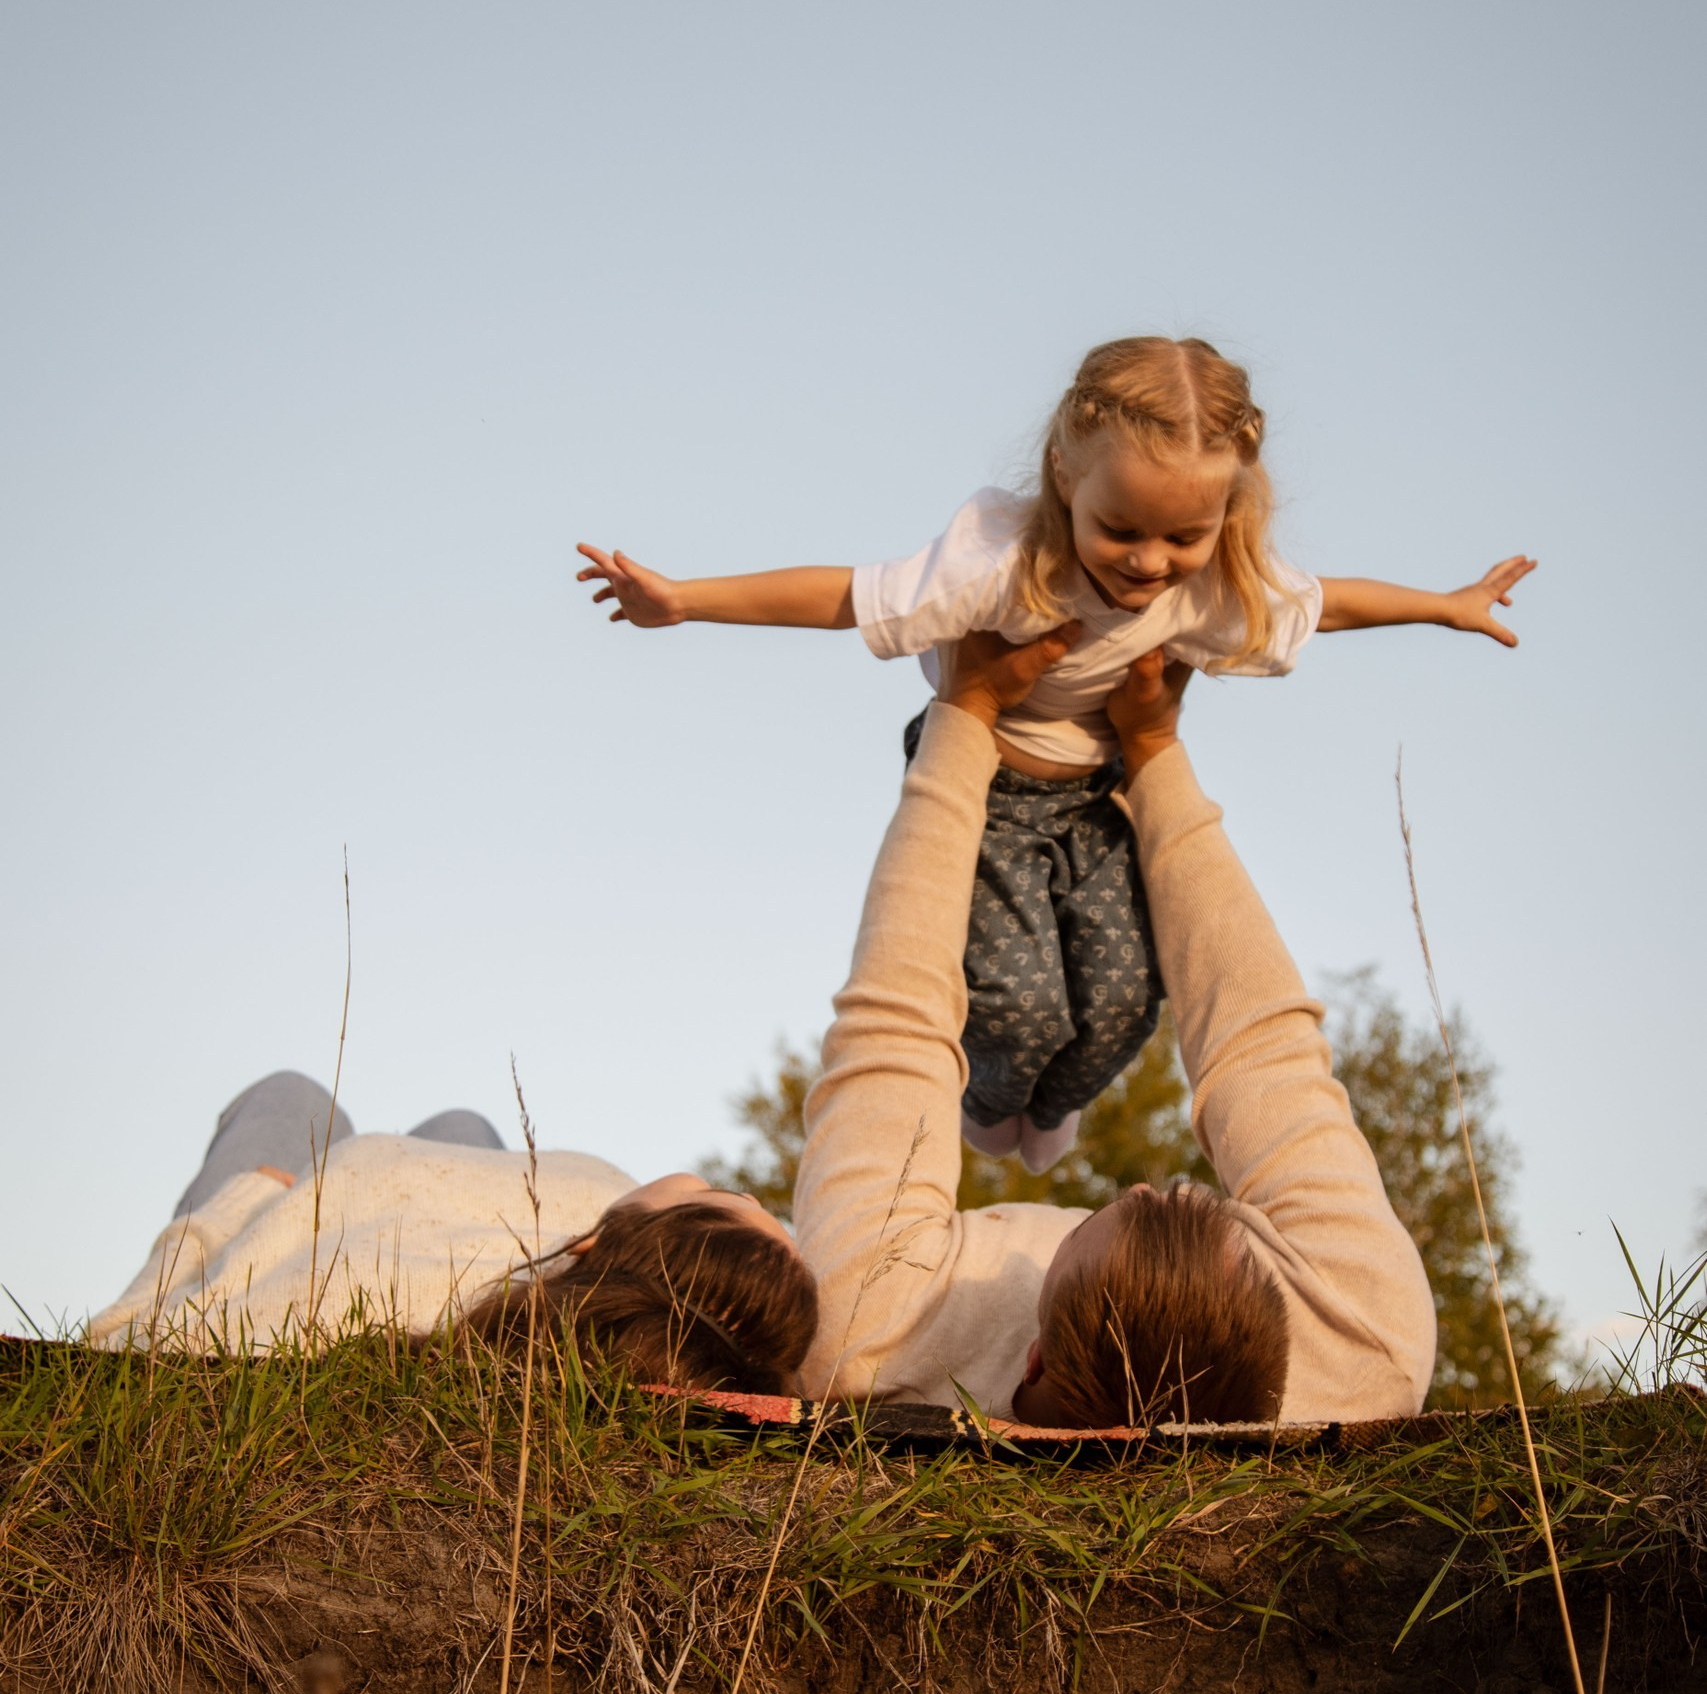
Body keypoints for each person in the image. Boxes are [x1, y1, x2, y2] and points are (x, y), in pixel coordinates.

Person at [577, 335, 1533, 1176]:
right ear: (1066, 480)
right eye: (1119, 529)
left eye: (1182, 537)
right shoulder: (997, 560)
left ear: (1224, 516)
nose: (1147, 561)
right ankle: (988, 1104)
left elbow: (1327, 603)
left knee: (1123, 1003)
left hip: (1095, 799)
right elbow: (843, 596)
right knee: (1019, 1005)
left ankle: (1050, 1104)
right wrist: (684, 599)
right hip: (986, 789)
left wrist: (1445, 606)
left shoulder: (1211, 587)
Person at [790, 628, 1437, 1429]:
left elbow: (893, 1031)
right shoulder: (1365, 1351)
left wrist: (962, 716)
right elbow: (1261, 1048)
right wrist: (1155, 752)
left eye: (1124, 1209)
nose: (1133, 1184)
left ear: (1031, 1359)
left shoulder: (861, 1333)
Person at [88, 1074, 818, 1393]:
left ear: (593, 1247)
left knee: (293, 1095)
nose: (733, 1185)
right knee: (462, 1130)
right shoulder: (630, 1333)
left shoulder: (581, 1208)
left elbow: (145, 1343)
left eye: (721, 1193)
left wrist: (252, 1204)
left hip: (297, 1219)